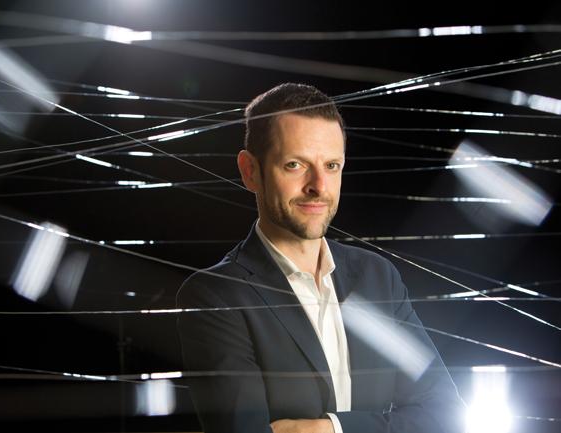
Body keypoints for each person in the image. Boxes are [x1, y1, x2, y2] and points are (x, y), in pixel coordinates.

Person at [177, 83, 464, 433]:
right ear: (250, 170)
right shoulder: (215, 297)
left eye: (331, 165)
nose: (318, 186)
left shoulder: (377, 278)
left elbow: (446, 414)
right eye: (295, 164)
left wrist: (330, 429)